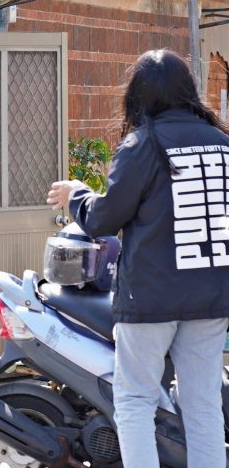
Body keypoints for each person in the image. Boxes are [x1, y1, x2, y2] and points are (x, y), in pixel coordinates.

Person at [47, 50, 229, 468]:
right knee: (202, 405)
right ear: (189, 91)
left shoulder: (144, 144)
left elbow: (105, 218)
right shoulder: (222, 145)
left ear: (138, 96)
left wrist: (75, 194)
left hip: (151, 297)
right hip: (212, 293)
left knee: (134, 401)